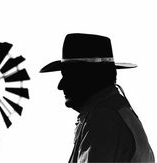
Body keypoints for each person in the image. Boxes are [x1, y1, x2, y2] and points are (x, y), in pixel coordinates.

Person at [40, 33, 155, 162]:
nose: (60, 85)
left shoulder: (102, 119)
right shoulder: (117, 113)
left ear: (90, 76)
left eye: (68, 75)